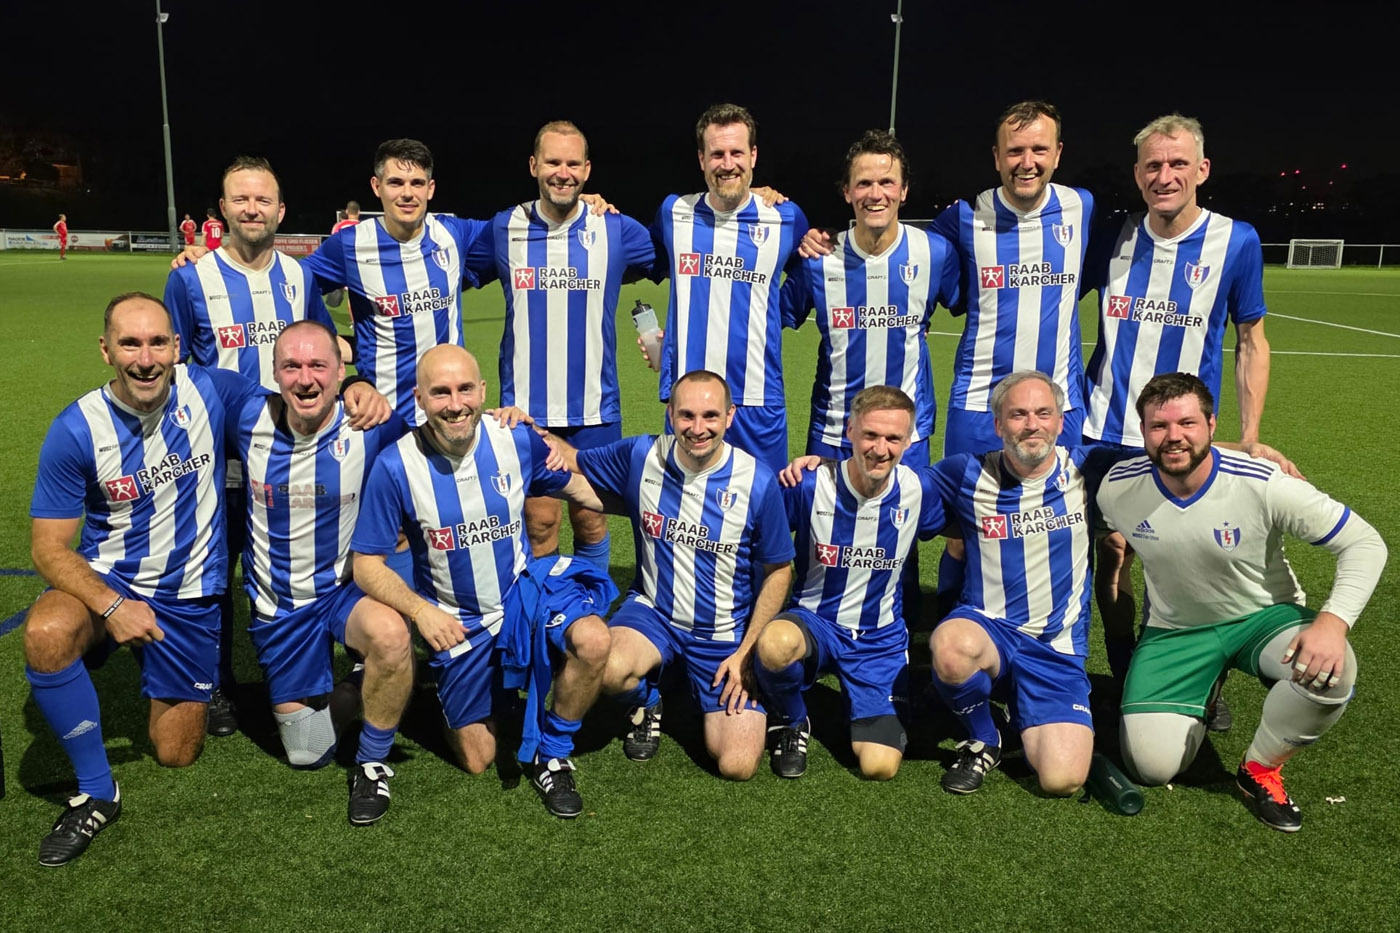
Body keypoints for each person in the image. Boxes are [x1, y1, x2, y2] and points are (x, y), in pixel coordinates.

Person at [799, 103, 1092, 616]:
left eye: (1038, 149)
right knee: (958, 529)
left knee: (1060, 523)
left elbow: (949, 292)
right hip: (971, 403)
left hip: (1056, 403)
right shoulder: (961, 220)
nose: (1026, 161)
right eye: (1015, 151)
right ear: (996, 157)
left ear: (1058, 153)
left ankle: (1036, 625)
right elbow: (774, 307)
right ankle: (933, 625)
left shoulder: (1081, 208)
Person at [1097, 372, 1385, 832]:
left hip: (1264, 619)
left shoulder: (1263, 482)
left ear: (1212, 425)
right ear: (1143, 431)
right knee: (1152, 767)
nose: (1173, 437)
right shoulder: (1117, 487)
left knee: (1333, 671)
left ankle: (1260, 769)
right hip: (1176, 631)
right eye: (1159, 426)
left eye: (1187, 423)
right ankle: (1206, 686)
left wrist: (1333, 622)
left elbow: (1364, 542)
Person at [23, 293, 253, 866]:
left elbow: (296, 404)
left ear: (177, 347)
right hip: (111, 578)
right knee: (47, 634)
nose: (145, 359)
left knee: (177, 753)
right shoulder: (77, 429)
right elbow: (47, 548)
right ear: (107, 351)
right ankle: (97, 791)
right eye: (130, 344)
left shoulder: (212, 390)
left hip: (188, 594)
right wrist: (110, 606)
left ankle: (148, 660)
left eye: (156, 343)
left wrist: (355, 386)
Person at [351, 345, 615, 818]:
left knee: (594, 641)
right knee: (477, 759)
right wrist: (421, 612)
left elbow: (577, 487)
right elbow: (366, 565)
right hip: (458, 621)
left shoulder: (515, 437)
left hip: (522, 596)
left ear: (483, 391)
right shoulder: (395, 466)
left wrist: (645, 500)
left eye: (465, 389)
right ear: (419, 398)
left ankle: (553, 753)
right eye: (441, 393)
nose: (456, 404)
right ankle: (467, 690)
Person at [1084, 114, 1273, 688]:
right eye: (1153, 165)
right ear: (1137, 174)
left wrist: (1249, 435)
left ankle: (1191, 673)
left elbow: (1252, 341)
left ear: (1202, 169)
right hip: (1105, 429)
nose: (1164, 176)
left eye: (1178, 163)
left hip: (1182, 435)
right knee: (1112, 554)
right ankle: (1127, 668)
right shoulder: (1111, 236)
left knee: (1187, 559)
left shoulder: (1236, 241)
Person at [163, 156, 345, 737]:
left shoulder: (300, 276)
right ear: (222, 209)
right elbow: (172, 368)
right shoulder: (190, 278)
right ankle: (214, 683)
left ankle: (300, 676)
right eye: (240, 199)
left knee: (297, 568)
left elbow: (321, 349)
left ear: (280, 211)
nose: (252, 209)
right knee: (213, 574)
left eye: (263, 200)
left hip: (291, 457)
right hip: (216, 461)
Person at [552, 370, 795, 779]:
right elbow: (571, 458)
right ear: (670, 414)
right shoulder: (641, 455)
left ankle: (702, 684)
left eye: (710, 416)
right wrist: (519, 427)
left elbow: (779, 572)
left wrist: (747, 651)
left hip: (723, 632)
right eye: (686, 415)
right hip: (653, 613)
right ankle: (647, 700)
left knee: (737, 764)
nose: (697, 428)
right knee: (606, 668)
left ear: (730, 416)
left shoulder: (757, 481)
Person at [233, 321, 412, 825]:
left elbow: (438, 446)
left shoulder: (370, 425)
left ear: (339, 372)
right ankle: (359, 682)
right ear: (274, 373)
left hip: (343, 591)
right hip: (280, 604)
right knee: (307, 751)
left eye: (318, 366)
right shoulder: (244, 413)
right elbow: (172, 378)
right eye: (291, 366)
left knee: (392, 637)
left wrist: (509, 425)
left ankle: (372, 762)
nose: (305, 378)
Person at [465, 120, 656, 574]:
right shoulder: (503, 228)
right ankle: (544, 603)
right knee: (539, 522)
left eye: (573, 163)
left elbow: (673, 254)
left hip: (595, 406)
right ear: (534, 165)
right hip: (526, 408)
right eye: (553, 162)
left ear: (587, 170)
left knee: (591, 516)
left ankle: (593, 597)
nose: (563, 173)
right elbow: (451, 263)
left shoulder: (616, 229)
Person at [756, 386, 946, 780]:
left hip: (879, 639)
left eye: (893, 438)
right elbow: (759, 536)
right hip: (814, 622)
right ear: (850, 431)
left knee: (880, 767)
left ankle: (864, 699)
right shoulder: (808, 484)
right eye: (870, 435)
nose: (880, 449)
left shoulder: (920, 490)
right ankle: (791, 720)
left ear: (908, 441)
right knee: (775, 645)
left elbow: (962, 530)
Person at [648, 103, 809, 473]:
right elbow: (644, 257)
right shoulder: (674, 212)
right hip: (689, 401)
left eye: (737, 152)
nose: (727, 163)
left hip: (759, 399)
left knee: (765, 500)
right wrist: (587, 203)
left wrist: (777, 314)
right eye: (717, 154)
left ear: (753, 156)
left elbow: (812, 269)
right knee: (687, 501)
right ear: (701, 159)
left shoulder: (785, 217)